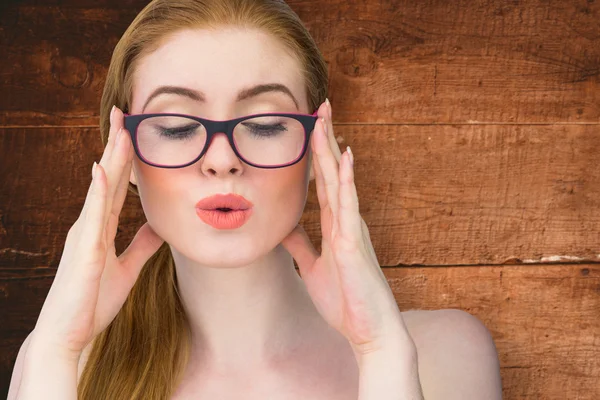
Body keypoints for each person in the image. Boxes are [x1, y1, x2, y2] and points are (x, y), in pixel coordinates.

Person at [8, 0, 503, 399]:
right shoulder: (57, 363)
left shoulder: (441, 353)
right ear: (127, 159)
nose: (222, 160)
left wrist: (380, 353)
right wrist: (55, 351)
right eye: (177, 127)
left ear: (316, 150)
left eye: (265, 124)